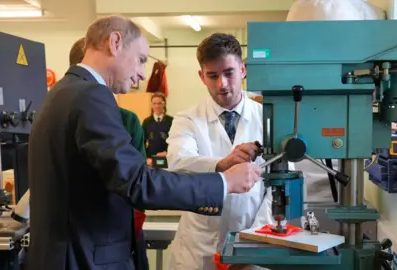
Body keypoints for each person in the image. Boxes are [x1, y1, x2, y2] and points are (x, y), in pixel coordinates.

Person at [27, 16, 262, 270]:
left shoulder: (62, 92)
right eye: (140, 60)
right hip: (83, 258)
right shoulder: (91, 96)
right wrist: (225, 181)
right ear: (115, 42)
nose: (141, 73)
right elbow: (137, 183)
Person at [167, 33, 290, 270]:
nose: (221, 84)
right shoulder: (187, 119)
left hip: (255, 244)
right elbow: (178, 166)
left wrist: (252, 244)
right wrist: (222, 163)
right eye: (212, 75)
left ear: (243, 70)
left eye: (229, 73)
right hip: (199, 249)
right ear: (202, 76)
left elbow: (282, 187)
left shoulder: (269, 118)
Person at [69, 36, 150, 270]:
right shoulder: (74, 109)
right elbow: (139, 184)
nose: (140, 74)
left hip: (120, 233)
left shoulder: (128, 120)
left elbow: (137, 184)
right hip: (97, 238)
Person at [142, 93, 173, 165]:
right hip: (150, 160)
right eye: (154, 103)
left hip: (167, 158)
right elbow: (142, 142)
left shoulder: (172, 121)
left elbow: (176, 141)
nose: (157, 106)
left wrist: (166, 152)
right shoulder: (146, 122)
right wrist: (146, 157)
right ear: (151, 105)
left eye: (159, 103)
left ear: (164, 104)